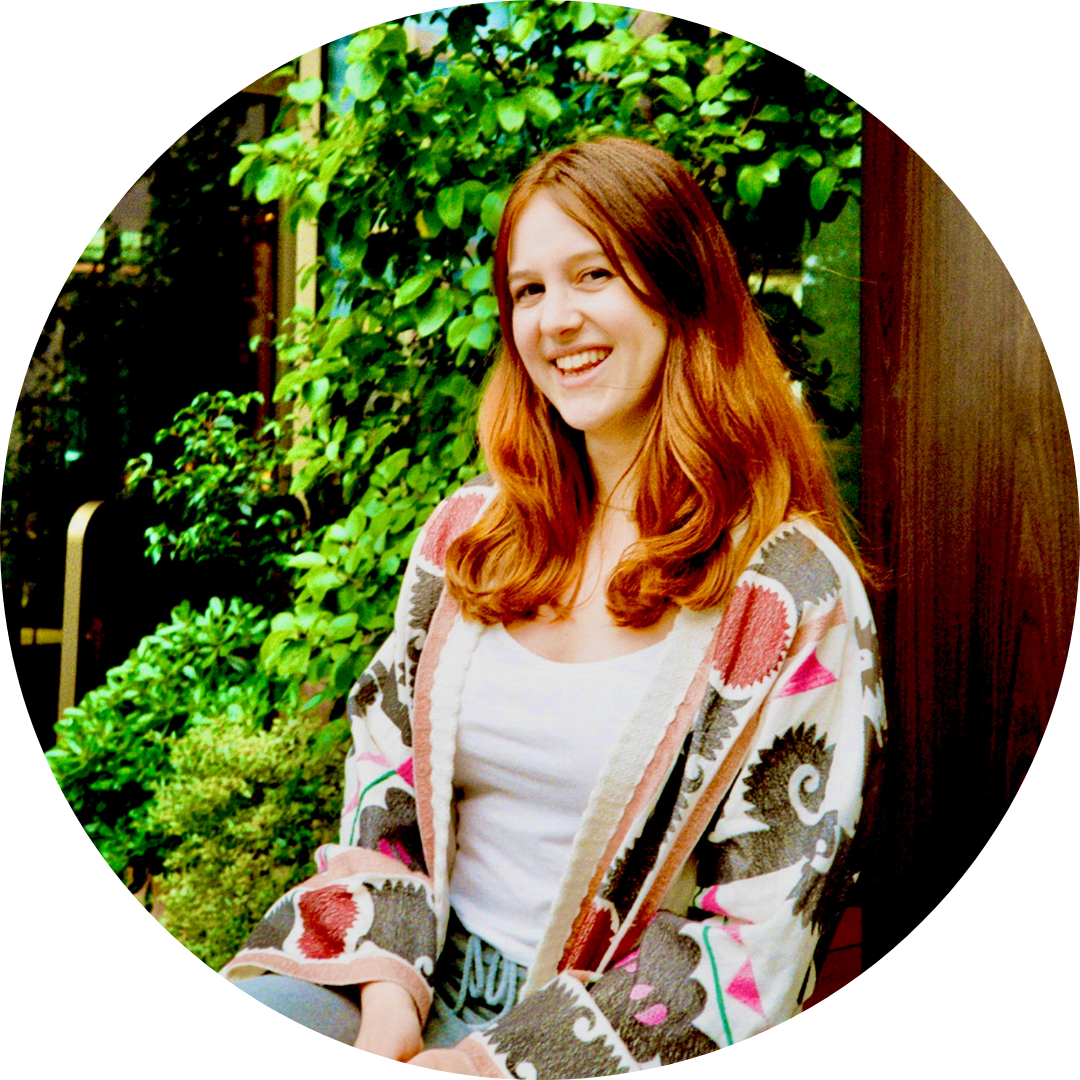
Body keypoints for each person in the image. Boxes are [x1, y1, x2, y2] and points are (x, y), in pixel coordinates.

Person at [221, 137, 886, 1075]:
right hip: (399, 976)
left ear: (680, 290)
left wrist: (485, 1064)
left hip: (612, 1035)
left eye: (593, 274)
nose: (556, 319)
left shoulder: (793, 596)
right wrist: (385, 1011)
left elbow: (754, 948)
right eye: (528, 291)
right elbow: (387, 782)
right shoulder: (468, 537)